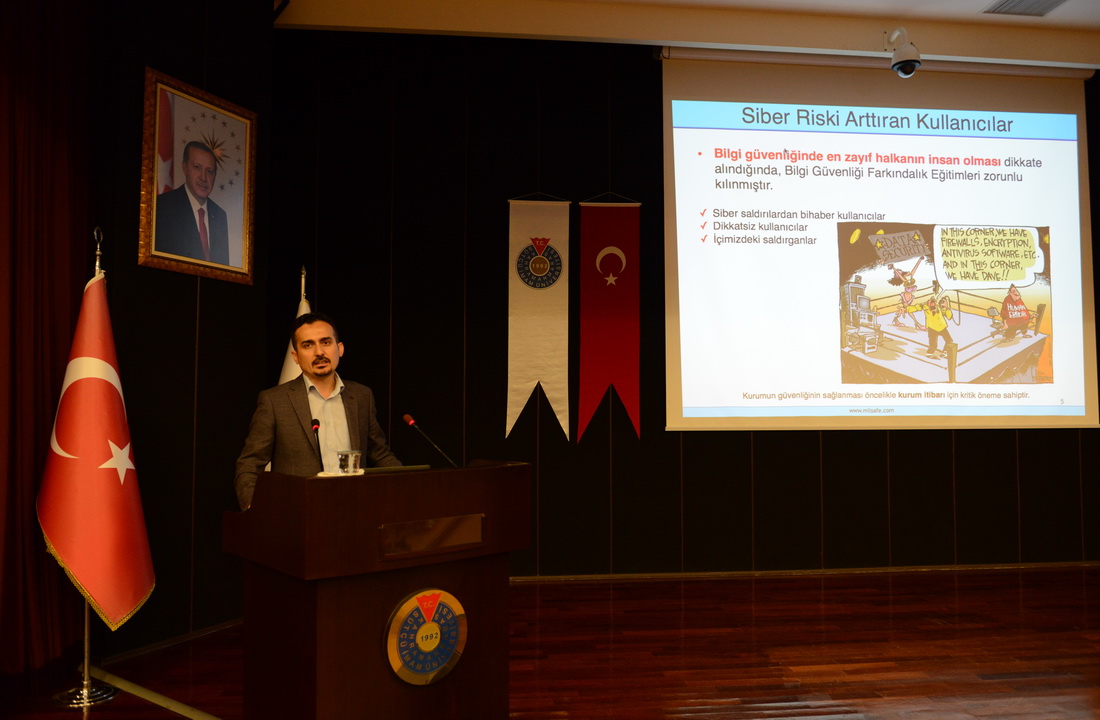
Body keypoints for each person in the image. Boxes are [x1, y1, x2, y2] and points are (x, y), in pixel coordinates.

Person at [234, 312, 402, 510]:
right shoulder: (275, 401)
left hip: (355, 510)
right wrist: (255, 508)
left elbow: (379, 454)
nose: (319, 352)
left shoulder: (361, 396)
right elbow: (250, 464)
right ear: (295, 356)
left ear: (340, 348)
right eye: (308, 345)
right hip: (297, 513)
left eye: (326, 342)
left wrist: (411, 485)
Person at [155, 141, 230, 264]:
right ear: (185, 168)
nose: (203, 178)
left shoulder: (220, 215)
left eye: (209, 171)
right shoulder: (162, 207)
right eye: (197, 167)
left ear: (215, 176)